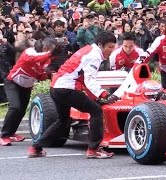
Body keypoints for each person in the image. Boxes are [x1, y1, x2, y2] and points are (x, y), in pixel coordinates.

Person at [28, 31, 119, 159]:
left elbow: (83, 79)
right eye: (109, 47)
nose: (111, 51)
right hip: (67, 88)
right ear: (100, 45)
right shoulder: (94, 55)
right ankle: (93, 149)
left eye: (113, 48)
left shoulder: (88, 50)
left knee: (62, 121)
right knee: (96, 111)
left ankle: (35, 148)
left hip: (56, 87)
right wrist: (104, 94)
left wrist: (97, 97)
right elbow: (89, 80)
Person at [0, 38, 59, 146]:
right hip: (13, 83)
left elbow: (40, 75)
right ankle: (4, 135)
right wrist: (49, 54)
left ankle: (11, 133)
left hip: (26, 87)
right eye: (52, 50)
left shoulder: (46, 60)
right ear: (45, 48)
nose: (52, 53)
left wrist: (49, 74)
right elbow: (30, 59)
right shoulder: (30, 51)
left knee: (21, 111)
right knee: (15, 107)